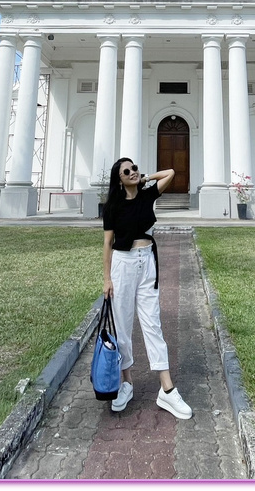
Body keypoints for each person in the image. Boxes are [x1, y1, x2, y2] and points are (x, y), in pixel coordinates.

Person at [102, 157, 192, 419]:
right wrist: (107, 279)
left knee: (152, 323)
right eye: (126, 171)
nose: (132, 172)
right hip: (123, 265)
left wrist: (145, 177)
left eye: (134, 169)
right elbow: (107, 244)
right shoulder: (113, 206)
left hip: (147, 263)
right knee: (122, 326)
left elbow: (172, 172)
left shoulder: (147, 195)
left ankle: (167, 389)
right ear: (118, 179)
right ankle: (126, 382)